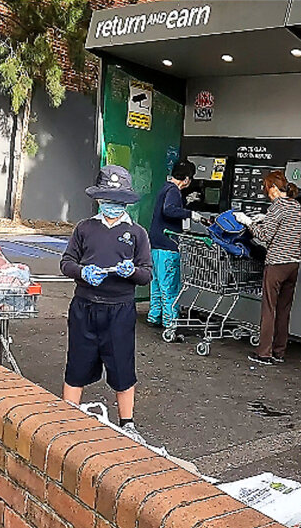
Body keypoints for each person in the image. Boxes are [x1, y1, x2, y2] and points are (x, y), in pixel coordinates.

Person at [59, 165, 153, 442]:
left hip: (120, 309)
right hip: (85, 306)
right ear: (99, 199)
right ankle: (67, 417)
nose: (113, 207)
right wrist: (82, 272)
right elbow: (66, 263)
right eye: (109, 201)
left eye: (119, 202)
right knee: (76, 364)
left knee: (123, 366)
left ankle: (128, 423)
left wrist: (132, 272)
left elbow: (146, 273)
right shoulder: (84, 229)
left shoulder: (137, 233)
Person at [236, 171, 301, 365]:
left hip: (276, 264)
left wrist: (247, 221)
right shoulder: (295, 205)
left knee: (269, 308)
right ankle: (279, 352)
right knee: (284, 309)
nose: (267, 194)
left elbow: (263, 236)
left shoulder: (277, 206)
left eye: (268, 189)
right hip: (293, 264)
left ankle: (263, 352)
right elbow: (283, 226)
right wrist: (265, 217)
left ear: (274, 188)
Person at [147, 159, 202, 329]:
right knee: (169, 286)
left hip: (156, 242)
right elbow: (169, 209)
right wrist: (189, 213)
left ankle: (154, 316)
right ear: (186, 179)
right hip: (168, 244)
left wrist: (185, 202)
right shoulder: (173, 190)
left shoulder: (165, 187)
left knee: (156, 283)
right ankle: (171, 322)